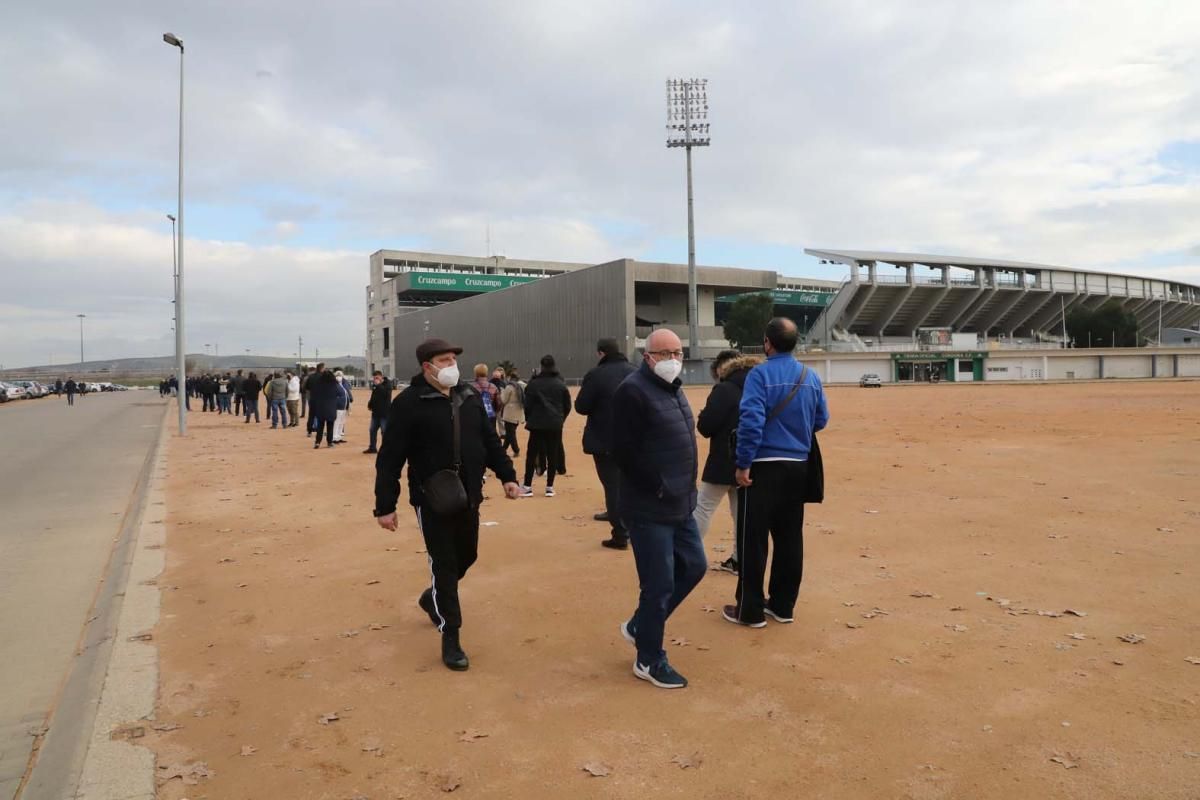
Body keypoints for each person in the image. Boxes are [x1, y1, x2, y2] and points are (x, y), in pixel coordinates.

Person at [374, 338, 521, 671]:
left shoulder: (468, 398)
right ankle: (450, 634)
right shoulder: (409, 403)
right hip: (432, 498)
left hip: (469, 494)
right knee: (444, 564)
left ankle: (432, 598)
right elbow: (390, 458)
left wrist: (507, 475)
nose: (452, 364)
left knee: (467, 556)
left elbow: (489, 441)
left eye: (454, 358)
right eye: (445, 359)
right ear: (427, 366)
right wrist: (385, 505)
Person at [610, 329, 705, 689]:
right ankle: (649, 658)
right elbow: (623, 450)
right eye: (664, 353)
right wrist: (658, 485)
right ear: (647, 356)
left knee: (695, 566)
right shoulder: (632, 391)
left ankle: (639, 626)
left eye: (677, 352)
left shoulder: (673, 387)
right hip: (649, 506)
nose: (672, 359)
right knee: (659, 584)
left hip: (681, 502)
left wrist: (680, 488)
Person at [726, 317, 829, 628]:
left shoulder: (759, 375)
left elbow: (751, 422)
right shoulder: (810, 377)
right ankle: (783, 606)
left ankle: (750, 610)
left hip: (763, 466)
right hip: (798, 467)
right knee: (789, 539)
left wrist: (743, 463)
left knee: (752, 540)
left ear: (767, 343)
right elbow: (821, 419)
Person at [694, 350, 762, 574]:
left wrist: (704, 415)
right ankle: (739, 559)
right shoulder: (761, 385)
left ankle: (687, 553)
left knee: (703, 508)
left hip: (724, 459)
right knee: (741, 515)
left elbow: (706, 426)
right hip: (753, 459)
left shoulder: (724, 389)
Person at [575, 337, 636, 549]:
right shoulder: (635, 371)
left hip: (605, 439)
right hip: (634, 439)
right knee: (629, 484)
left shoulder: (596, 375)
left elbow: (582, 406)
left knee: (612, 486)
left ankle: (620, 534)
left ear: (601, 353)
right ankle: (631, 525)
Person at [520, 355, 570, 497]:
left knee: (531, 454)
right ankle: (549, 487)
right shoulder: (560, 384)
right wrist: (561, 419)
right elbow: (567, 405)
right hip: (555, 424)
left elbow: (527, 405)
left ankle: (528, 486)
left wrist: (530, 418)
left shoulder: (533, 384)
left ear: (541, 366)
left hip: (536, 423)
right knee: (552, 454)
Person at [498, 370, 525, 456]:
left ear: (510, 377)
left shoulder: (509, 387)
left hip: (510, 412)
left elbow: (503, 400)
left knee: (511, 433)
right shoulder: (521, 385)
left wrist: (502, 391)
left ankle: (516, 450)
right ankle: (503, 450)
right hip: (519, 411)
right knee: (510, 433)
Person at [310, 370, 339, 448]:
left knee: (320, 426)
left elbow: (314, 394)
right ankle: (329, 442)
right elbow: (338, 393)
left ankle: (317, 442)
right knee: (330, 426)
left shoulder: (318, 384)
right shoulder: (334, 384)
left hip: (321, 407)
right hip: (331, 407)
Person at [364, 370, 391, 454]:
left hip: (384, 413)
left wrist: (378, 385)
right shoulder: (375, 385)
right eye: (374, 378)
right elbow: (374, 395)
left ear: (381, 376)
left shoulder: (387, 384)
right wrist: (370, 404)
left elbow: (385, 394)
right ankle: (372, 448)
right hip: (375, 413)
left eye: (377, 377)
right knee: (372, 430)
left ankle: (385, 449)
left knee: (384, 431)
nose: (375, 379)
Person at [471, 364, 499, 434]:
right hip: (490, 416)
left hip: (475, 416)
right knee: (491, 436)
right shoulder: (493, 387)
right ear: (486, 373)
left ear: (475, 373)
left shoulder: (470, 387)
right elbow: (498, 403)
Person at [305, 363, 326, 435]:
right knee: (321, 416)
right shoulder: (323, 377)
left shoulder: (310, 377)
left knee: (311, 415)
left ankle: (309, 431)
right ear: (321, 368)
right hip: (321, 399)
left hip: (313, 398)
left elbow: (307, 387)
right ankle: (320, 431)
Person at [332, 370, 352, 443]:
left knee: (341, 422)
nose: (339, 377)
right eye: (337, 375)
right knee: (336, 422)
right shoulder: (334, 385)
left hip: (344, 407)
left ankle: (339, 436)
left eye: (340, 375)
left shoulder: (342, 385)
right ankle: (334, 437)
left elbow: (347, 394)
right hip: (338, 407)